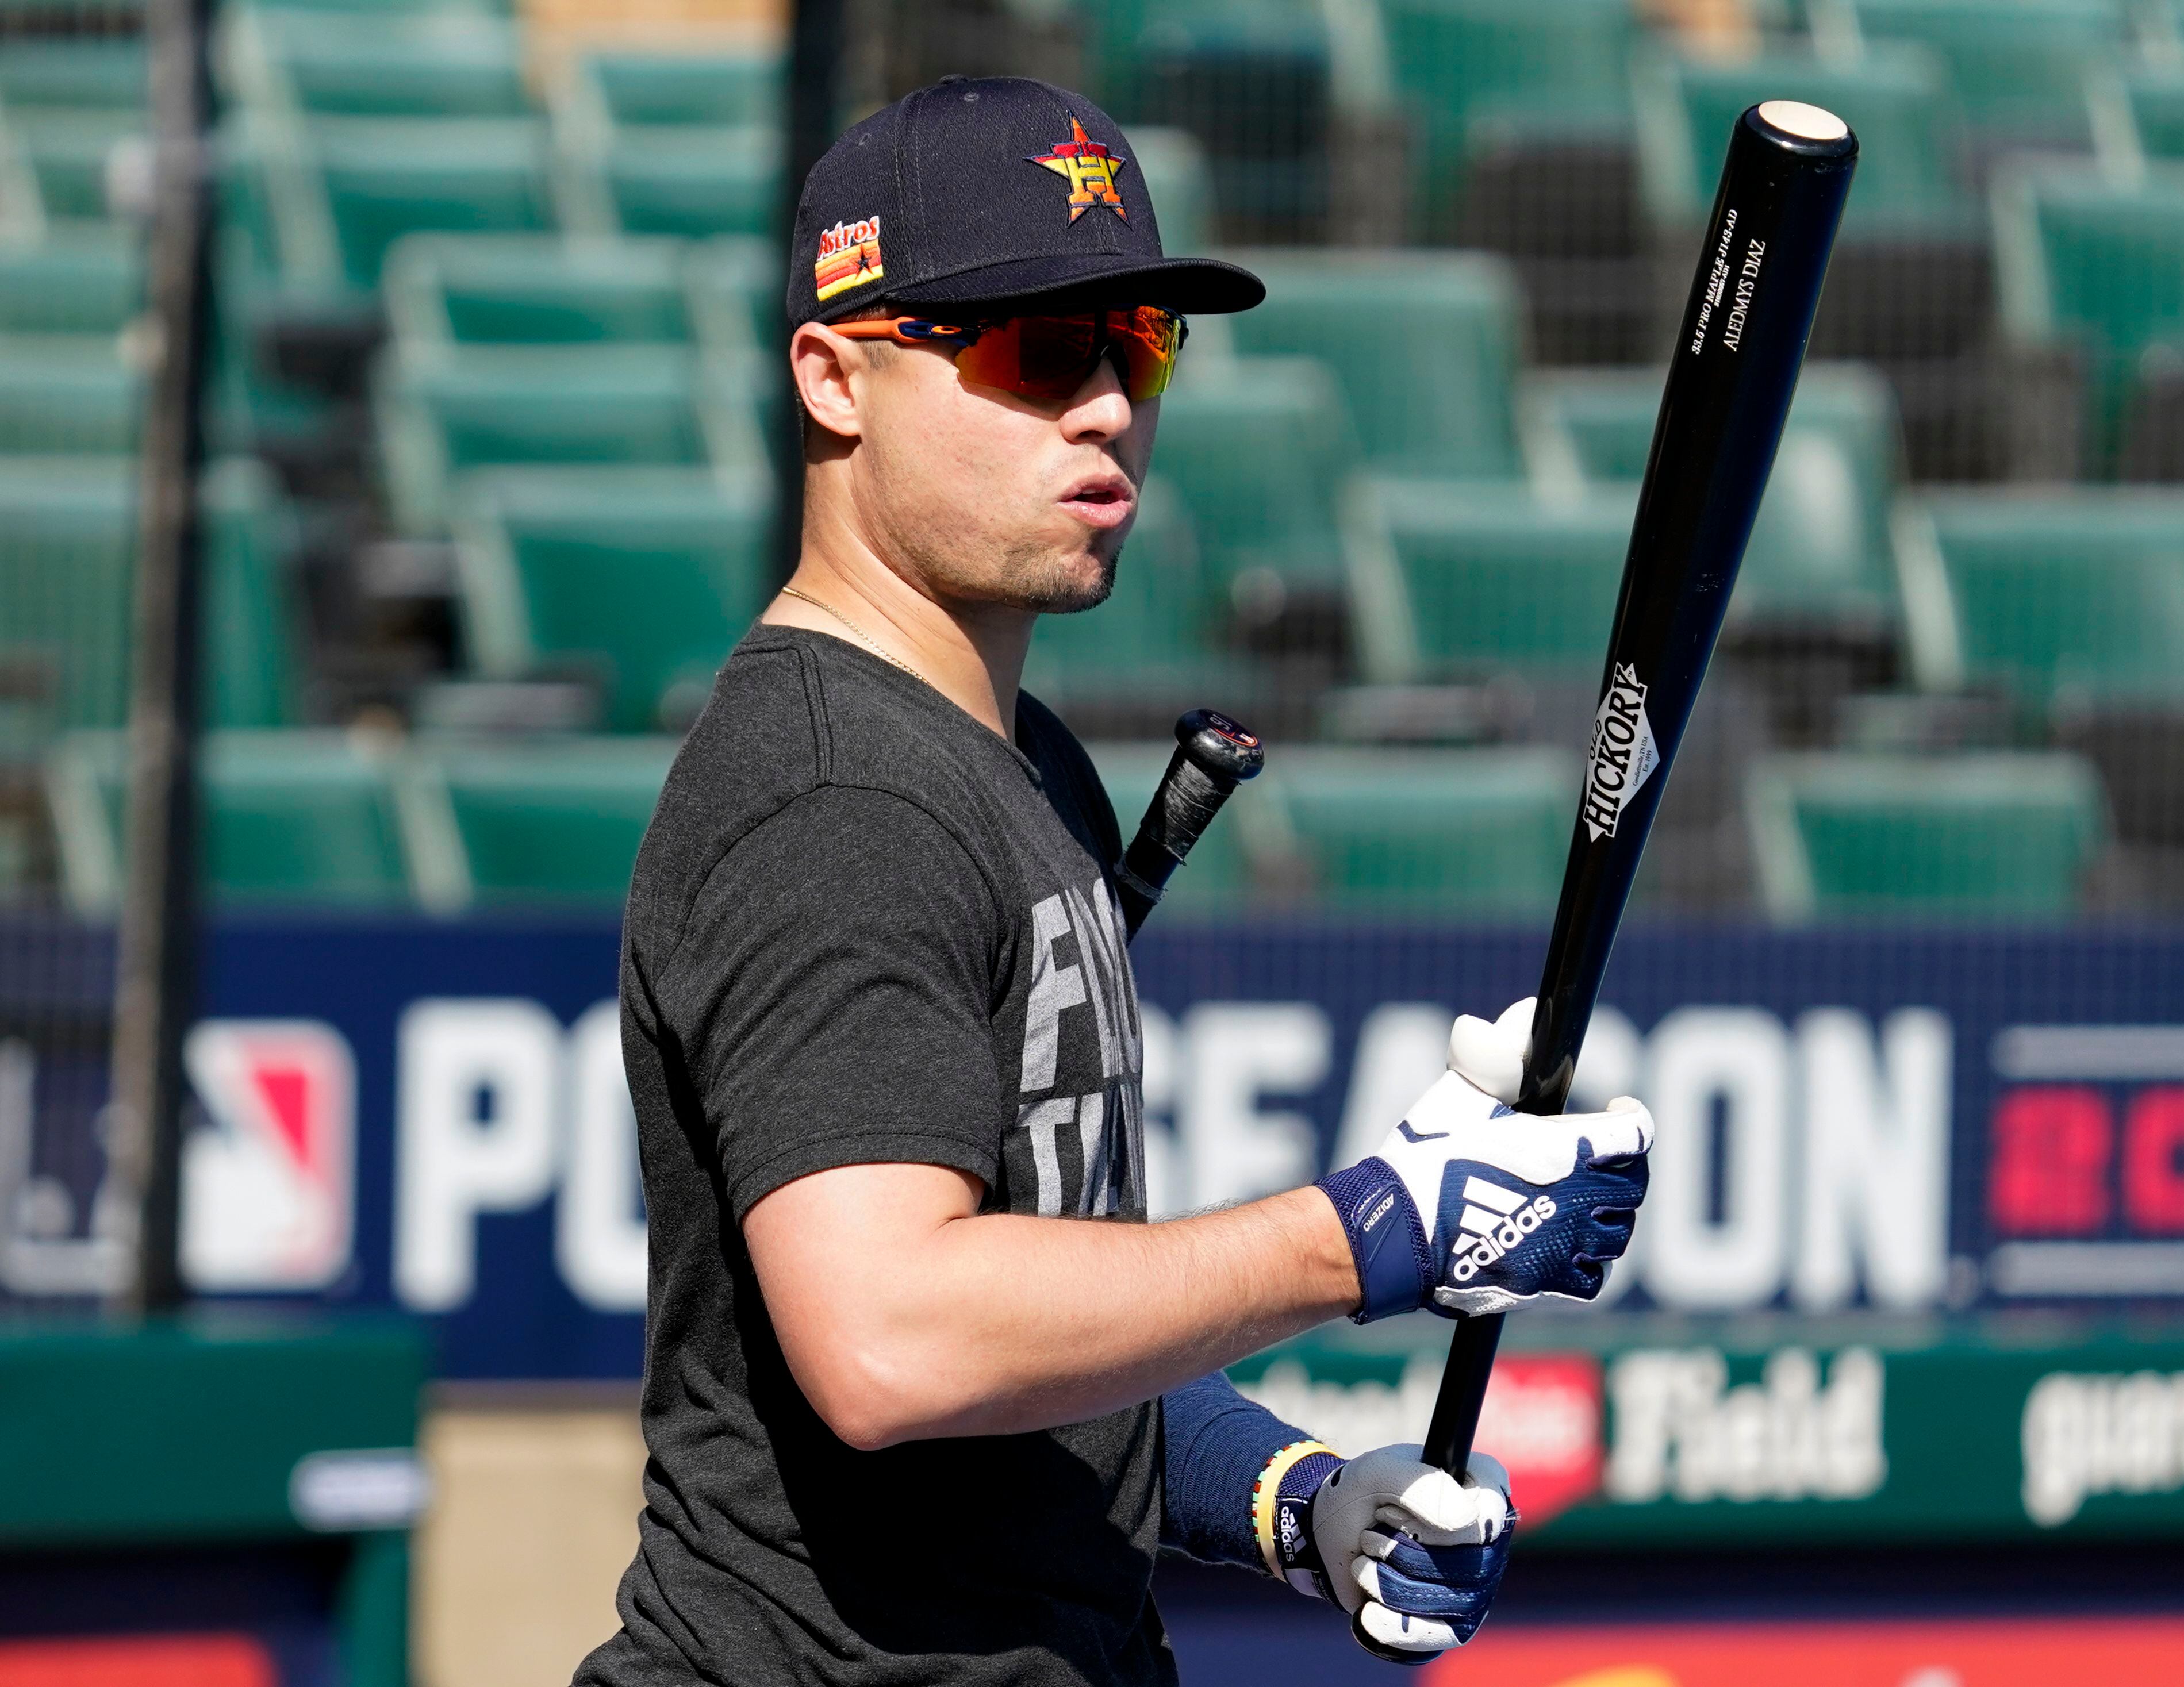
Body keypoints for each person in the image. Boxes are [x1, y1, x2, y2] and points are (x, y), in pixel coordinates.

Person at [576, 76, 1657, 1687]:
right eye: (1036, 350)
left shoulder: (1019, 761)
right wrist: (1366, 1233)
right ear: (833, 375)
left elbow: (1050, 1322)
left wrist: (1292, 1498)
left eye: (1138, 343)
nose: (1104, 406)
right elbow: (894, 1335)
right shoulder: (833, 798)